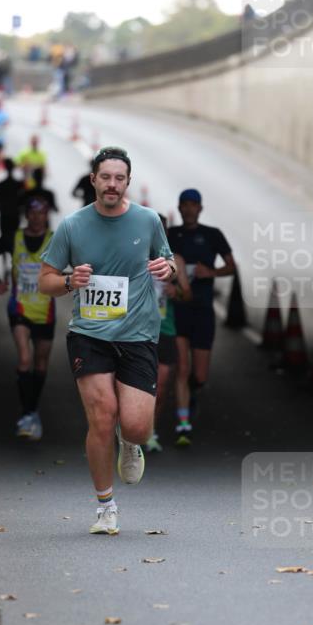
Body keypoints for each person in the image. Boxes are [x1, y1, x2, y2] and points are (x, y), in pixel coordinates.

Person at [38, 146, 175, 535]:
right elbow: (44, 281)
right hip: (89, 335)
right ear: (93, 180)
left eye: (119, 178)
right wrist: (68, 281)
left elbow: (170, 262)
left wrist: (168, 267)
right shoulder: (73, 226)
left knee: (136, 426)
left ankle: (129, 442)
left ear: (127, 182)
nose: (112, 184)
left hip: (138, 335)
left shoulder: (148, 221)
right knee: (101, 416)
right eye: (105, 177)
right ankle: (105, 507)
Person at [167, 189, 235, 445]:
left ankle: (191, 397)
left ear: (200, 208)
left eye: (193, 205)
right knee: (182, 368)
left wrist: (212, 273)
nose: (188, 209)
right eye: (184, 205)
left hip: (204, 311)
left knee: (200, 375)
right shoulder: (172, 236)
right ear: (180, 207)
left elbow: (231, 266)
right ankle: (183, 422)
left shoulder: (212, 235)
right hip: (178, 311)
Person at [0, 197, 55, 440]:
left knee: (40, 364)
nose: (37, 217)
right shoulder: (13, 238)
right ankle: (27, 413)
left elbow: (75, 262)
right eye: (33, 213)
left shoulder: (55, 240)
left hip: (45, 311)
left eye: (42, 213)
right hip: (19, 308)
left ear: (47, 215)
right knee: (25, 359)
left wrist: (68, 280)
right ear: (27, 215)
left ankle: (32, 410)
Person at [145, 217, 192, 453]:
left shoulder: (176, 261)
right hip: (136, 330)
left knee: (161, 385)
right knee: (132, 385)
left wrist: (176, 291)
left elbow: (187, 295)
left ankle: (149, 431)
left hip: (165, 328)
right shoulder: (134, 256)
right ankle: (130, 431)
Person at [0, 158, 25, 252]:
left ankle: (5, 260)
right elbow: (23, 201)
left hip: (5, 215)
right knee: (14, 237)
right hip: (15, 215)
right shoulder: (19, 184)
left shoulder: (1, 185)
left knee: (4, 237)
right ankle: (13, 259)